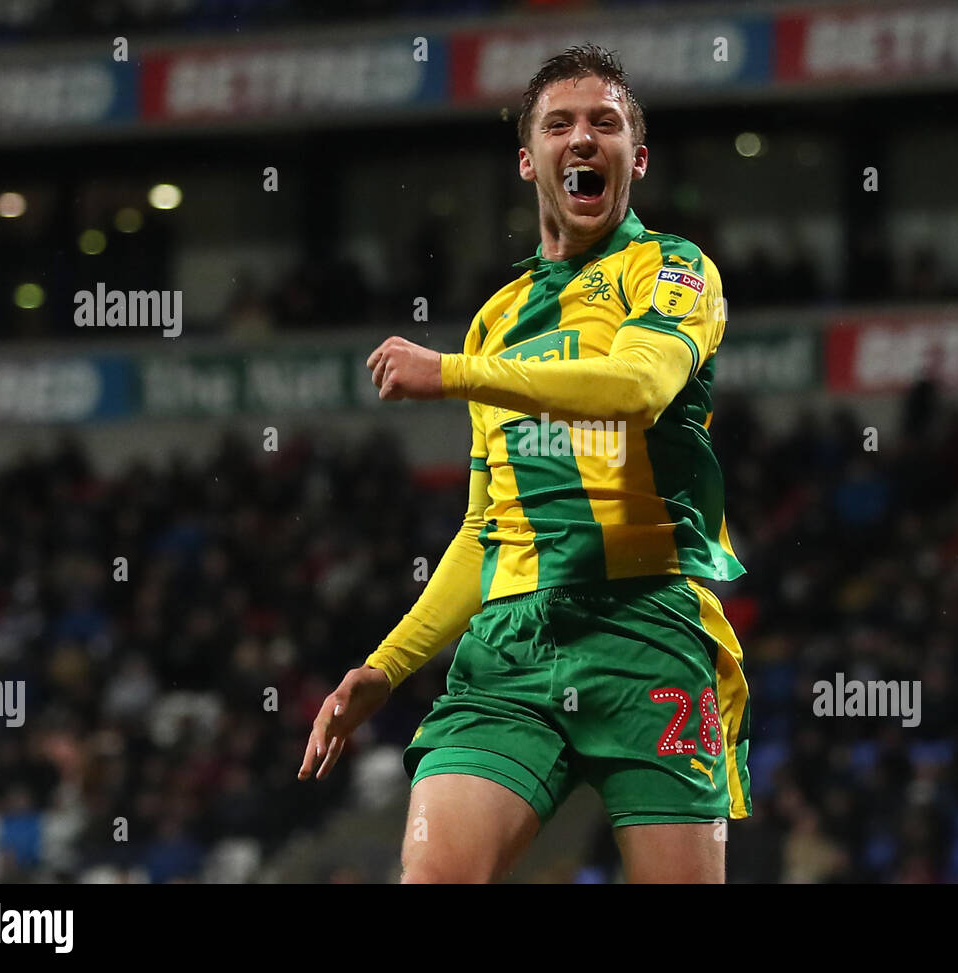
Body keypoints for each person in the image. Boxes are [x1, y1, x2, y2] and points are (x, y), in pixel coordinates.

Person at [298, 44, 751, 883]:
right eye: (560, 124)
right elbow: (486, 529)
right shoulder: (495, 318)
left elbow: (637, 386)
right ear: (527, 159)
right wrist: (385, 667)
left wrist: (451, 374)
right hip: (510, 650)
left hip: (646, 629)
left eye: (605, 123)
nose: (583, 139)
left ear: (636, 158)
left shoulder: (674, 270)